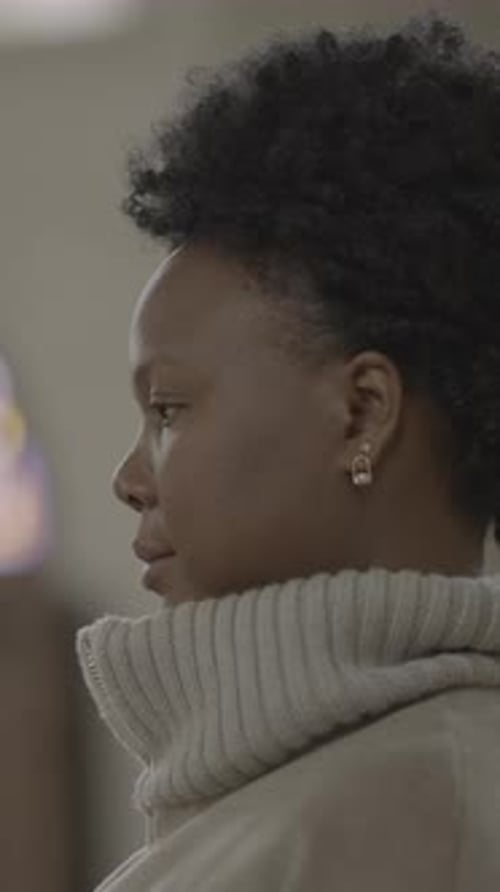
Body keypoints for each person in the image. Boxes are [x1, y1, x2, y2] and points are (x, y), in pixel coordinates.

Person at [77, 12, 500, 891]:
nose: (129, 480)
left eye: (169, 409)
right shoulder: (306, 806)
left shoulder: (412, 818)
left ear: (361, 414)